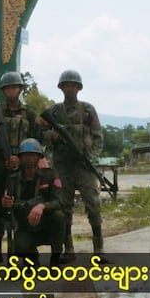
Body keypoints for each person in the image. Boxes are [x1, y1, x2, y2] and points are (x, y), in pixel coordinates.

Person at [40, 69, 104, 261]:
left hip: (84, 165)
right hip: (62, 165)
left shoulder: (87, 110)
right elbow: (39, 133)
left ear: (78, 88)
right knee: (65, 206)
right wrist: (52, 136)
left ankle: (99, 251)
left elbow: (98, 137)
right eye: (67, 85)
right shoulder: (54, 112)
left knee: (93, 204)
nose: (70, 88)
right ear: (61, 88)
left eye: (73, 85)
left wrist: (91, 157)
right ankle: (68, 249)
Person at [0, 71, 40, 262]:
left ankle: (21, 247)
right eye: (7, 88)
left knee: (19, 203)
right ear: (3, 91)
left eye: (14, 87)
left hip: (21, 165)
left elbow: (37, 141)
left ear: (19, 89)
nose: (11, 91)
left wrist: (22, 160)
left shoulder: (29, 113)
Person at [1, 138, 65, 266]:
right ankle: (32, 259)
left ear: (38, 157)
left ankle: (55, 259)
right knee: (20, 247)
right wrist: (6, 204)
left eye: (32, 155)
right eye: (25, 155)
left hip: (47, 225)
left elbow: (59, 201)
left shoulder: (50, 175)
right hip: (26, 227)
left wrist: (42, 206)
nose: (28, 158)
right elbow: (7, 209)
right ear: (20, 157)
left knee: (59, 217)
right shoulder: (13, 180)